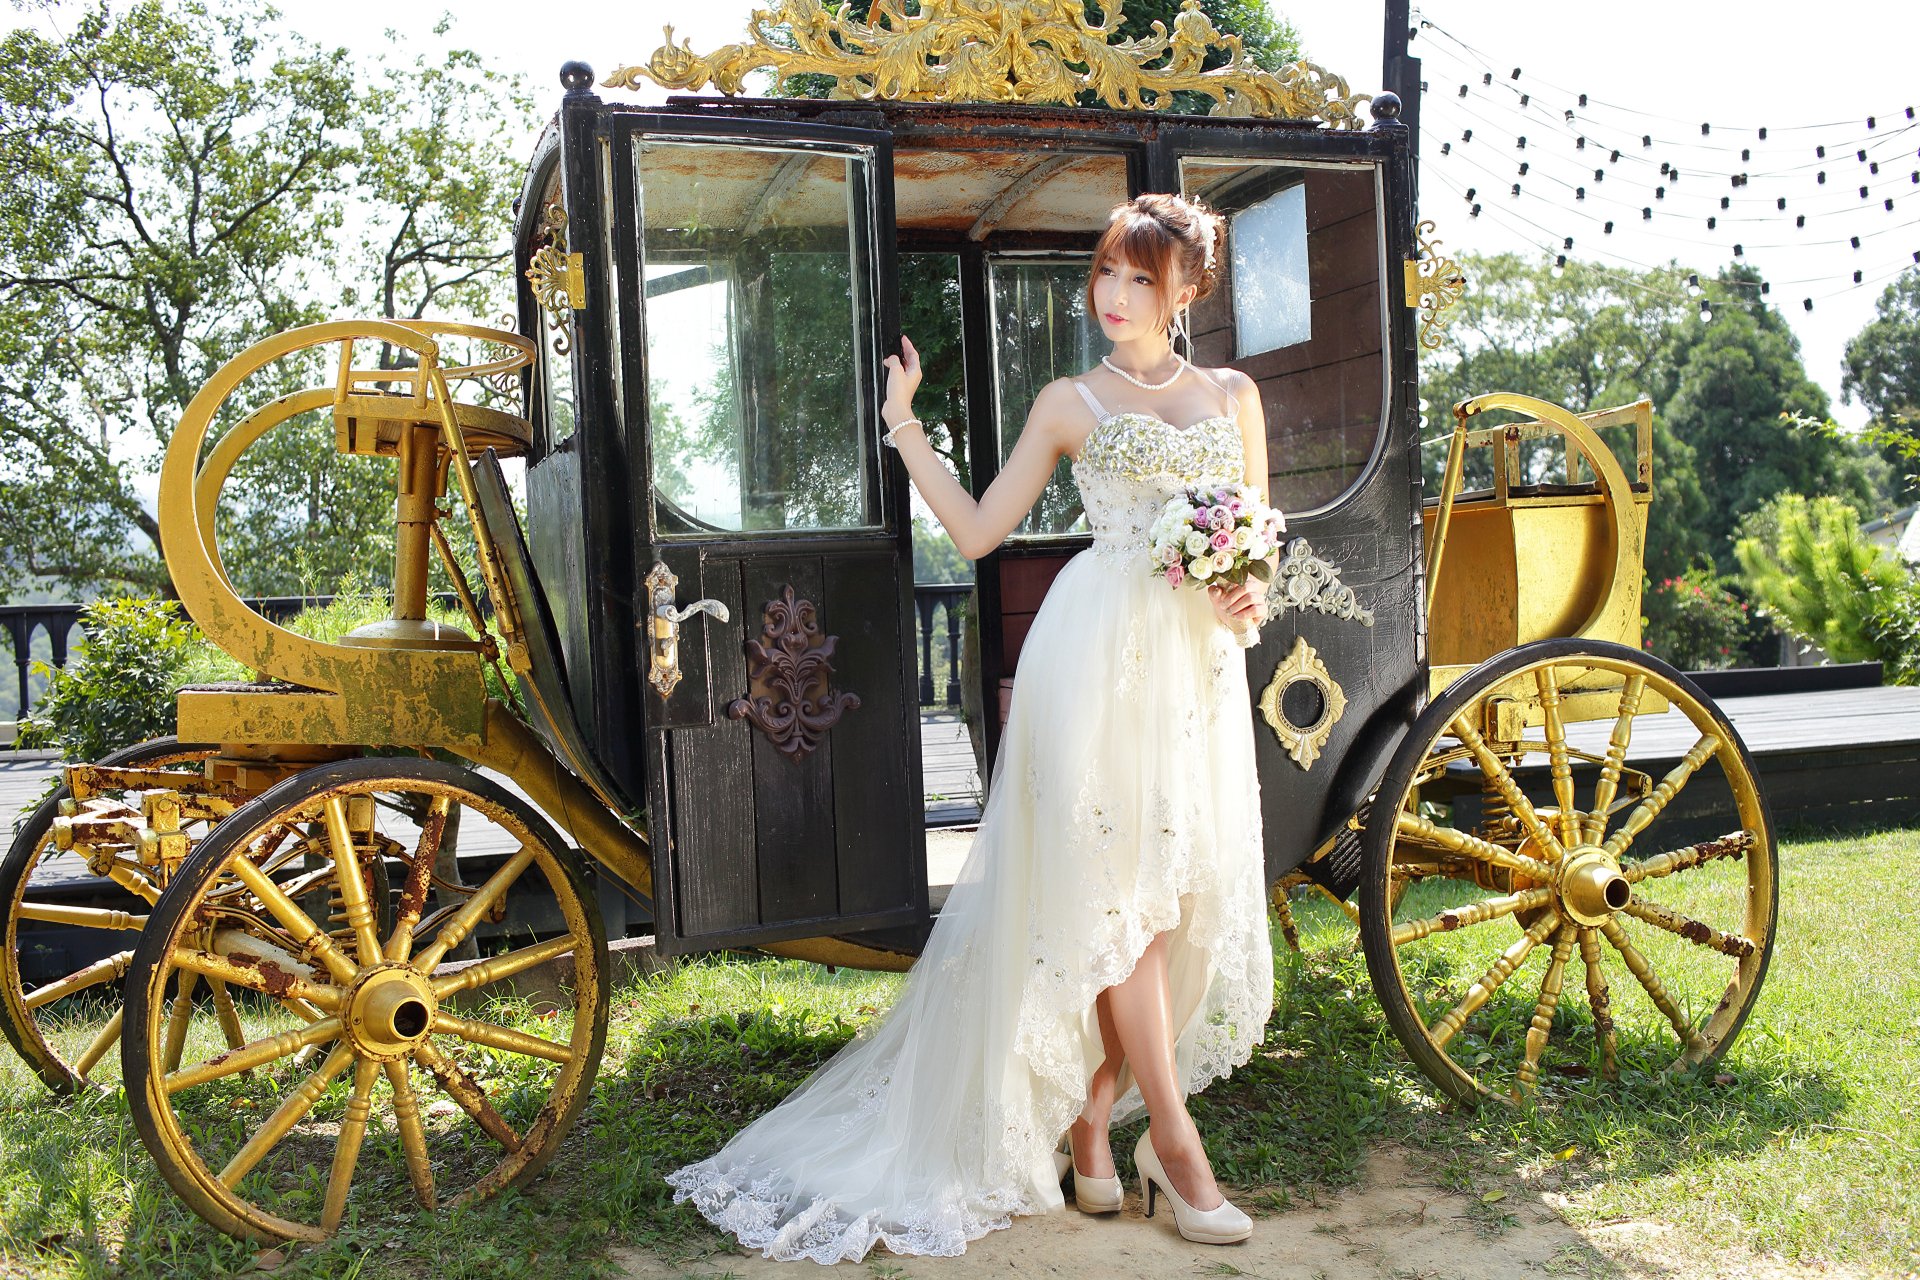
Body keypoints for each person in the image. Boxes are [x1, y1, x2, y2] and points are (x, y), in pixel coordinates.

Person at [664, 192, 1277, 1263]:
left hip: (1196, 671)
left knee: (1172, 900)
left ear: (1187, 289)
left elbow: (1258, 535)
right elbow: (981, 530)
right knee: (1120, 900)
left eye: (1141, 279)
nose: (1115, 297)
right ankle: (1175, 1146)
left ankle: (1094, 1126)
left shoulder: (1233, 394)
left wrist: (1246, 594)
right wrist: (905, 422)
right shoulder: (1070, 400)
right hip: (1094, 660)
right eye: (1106, 274)